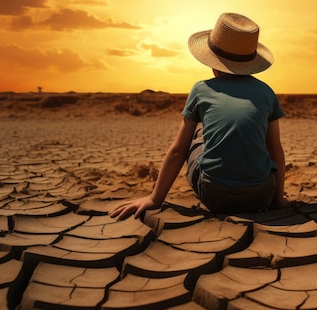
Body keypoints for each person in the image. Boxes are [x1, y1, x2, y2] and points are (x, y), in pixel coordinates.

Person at [110, 12, 288, 220]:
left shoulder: (201, 89)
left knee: (198, 138)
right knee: (261, 140)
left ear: (213, 62)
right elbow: (276, 151)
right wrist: (276, 201)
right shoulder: (266, 92)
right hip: (261, 198)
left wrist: (154, 198)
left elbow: (178, 150)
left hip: (215, 196)